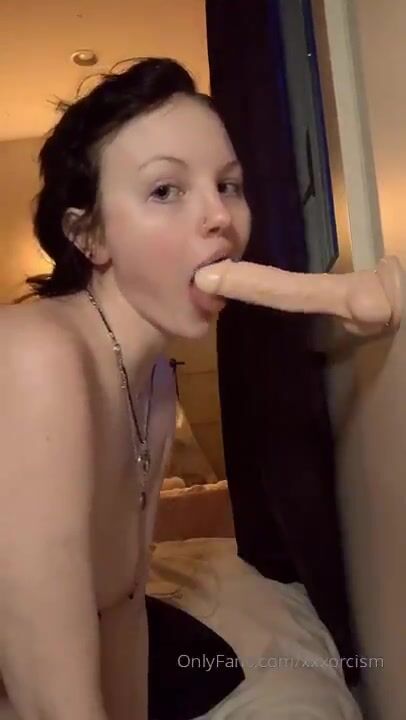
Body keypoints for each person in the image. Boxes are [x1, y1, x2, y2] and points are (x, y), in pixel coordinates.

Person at [0, 58, 251, 720]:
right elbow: (50, 701)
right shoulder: (36, 358)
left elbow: (123, 607)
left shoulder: (155, 382)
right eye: (166, 190)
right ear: (89, 236)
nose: (219, 216)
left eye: (228, 185)